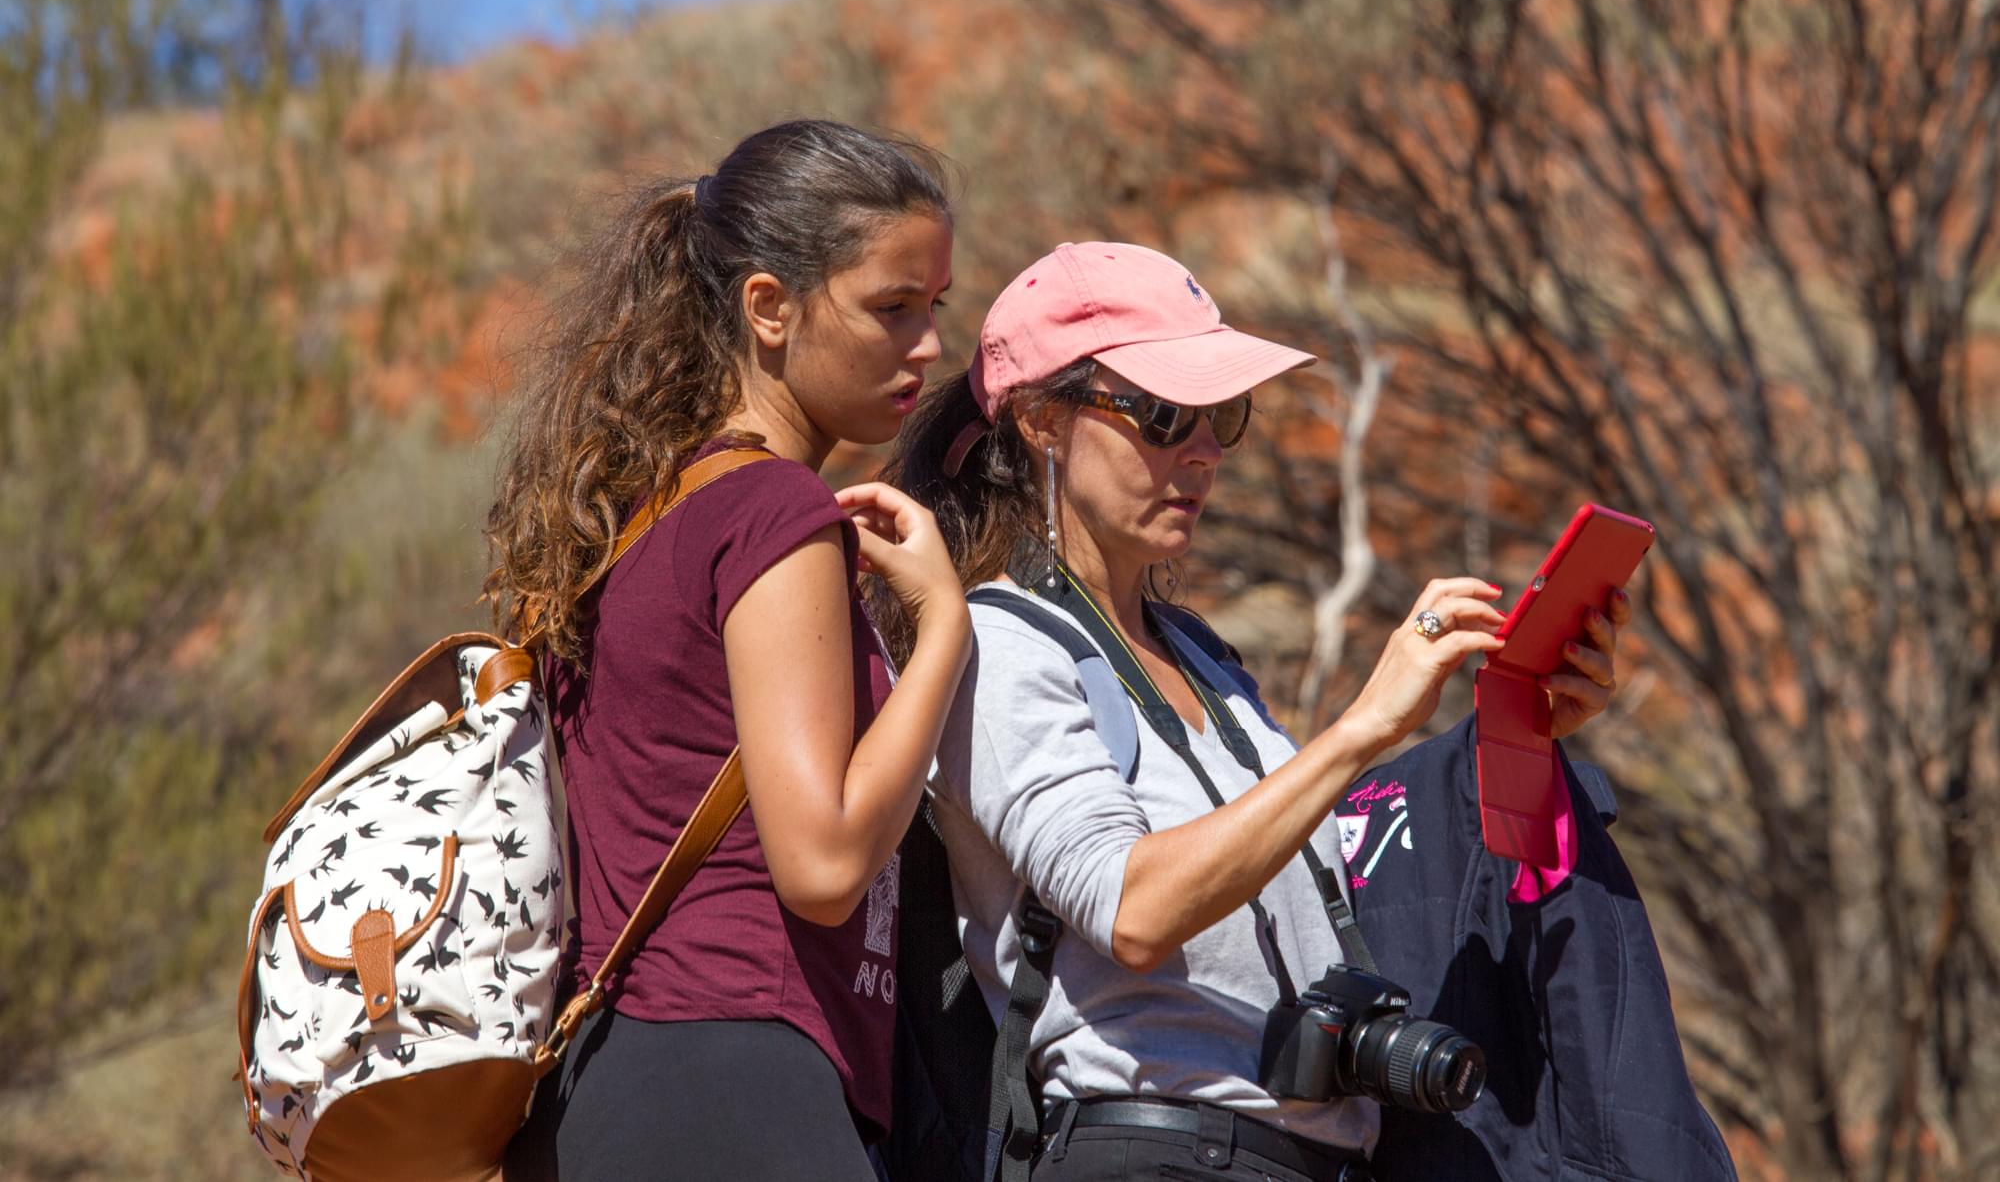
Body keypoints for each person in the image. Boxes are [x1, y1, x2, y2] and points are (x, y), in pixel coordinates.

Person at [873, 241, 1637, 1182]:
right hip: (1150, 1148)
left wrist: (1516, 727)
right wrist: (1361, 728)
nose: (1199, 451)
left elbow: (1327, 868)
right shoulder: (1000, 643)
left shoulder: (1204, 658)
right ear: (1040, 421)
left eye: (1219, 416)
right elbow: (1135, 908)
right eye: (1161, 415)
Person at [488, 120, 972, 1181]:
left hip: (603, 1097)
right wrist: (943, 629)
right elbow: (824, 862)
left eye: (932, 307)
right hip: (737, 1079)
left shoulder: (626, 519)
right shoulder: (772, 509)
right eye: (891, 307)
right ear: (768, 307)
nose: (928, 344)